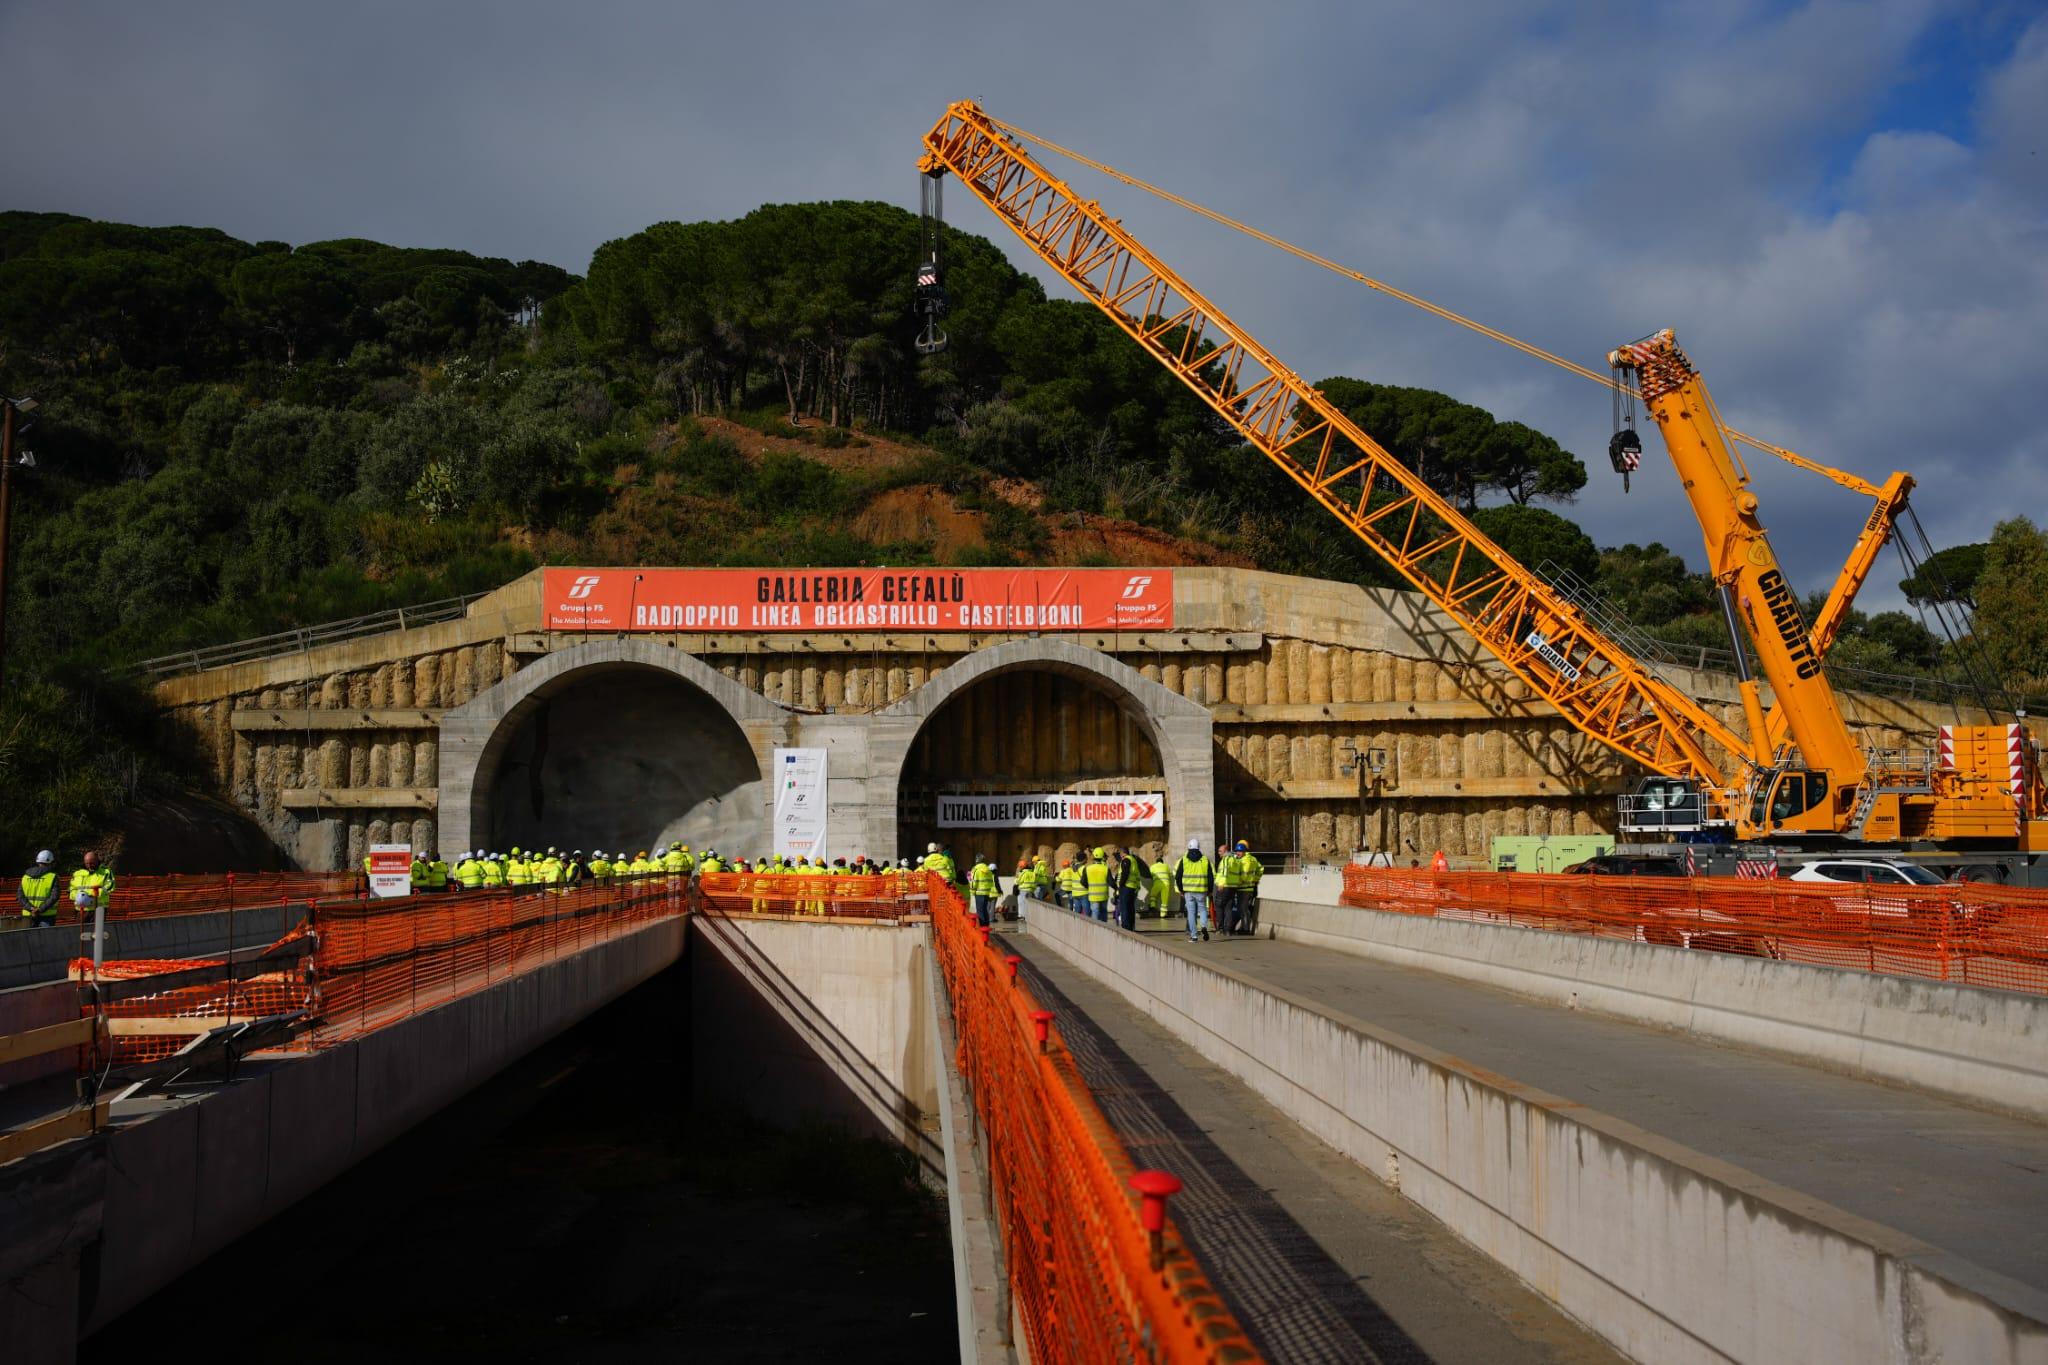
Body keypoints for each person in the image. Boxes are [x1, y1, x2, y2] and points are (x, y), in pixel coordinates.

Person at [1174, 839, 1212, 942]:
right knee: (1203, 910)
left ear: (1188, 847)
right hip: (1201, 890)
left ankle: (1194, 936)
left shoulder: (1184, 859)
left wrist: (1181, 889)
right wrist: (1210, 890)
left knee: (1191, 913)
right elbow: (1210, 877)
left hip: (1188, 891)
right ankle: (1203, 926)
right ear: (1198, 847)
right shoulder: (1205, 859)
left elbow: (1178, 876)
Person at [1223, 841, 1263, 935]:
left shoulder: (1244, 860)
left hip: (1243, 888)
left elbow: (1243, 874)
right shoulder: (1253, 859)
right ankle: (1245, 928)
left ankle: (1245, 930)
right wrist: (1256, 879)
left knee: (1243, 909)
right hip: (1249, 888)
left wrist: (1238, 881)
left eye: (1239, 851)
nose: (1237, 853)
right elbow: (1260, 869)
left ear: (1244, 851)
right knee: (1243, 909)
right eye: (1236, 851)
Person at [19, 850, 60, 927]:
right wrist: (40, 909)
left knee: (28, 938)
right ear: (51, 862)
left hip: (28, 915)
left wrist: (31, 908)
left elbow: (20, 896)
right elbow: (54, 896)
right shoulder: (53, 877)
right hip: (47, 916)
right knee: (45, 938)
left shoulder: (25, 876)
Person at [69, 851, 114, 921]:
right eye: (87, 863)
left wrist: (91, 897)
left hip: (98, 910)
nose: (89, 865)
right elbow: (71, 889)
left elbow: (109, 887)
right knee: (80, 931)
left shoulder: (106, 872)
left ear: (97, 860)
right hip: (81, 910)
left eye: (92, 863)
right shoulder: (77, 873)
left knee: (97, 931)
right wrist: (78, 897)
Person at [968, 854, 999, 928]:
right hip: (987, 893)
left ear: (977, 860)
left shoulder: (976, 869)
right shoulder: (988, 870)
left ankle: (982, 927)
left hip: (979, 893)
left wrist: (972, 891)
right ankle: (986, 925)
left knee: (980, 911)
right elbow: (991, 881)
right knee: (985, 910)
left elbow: (973, 882)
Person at [1111, 849, 1138, 931]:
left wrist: (1121, 885)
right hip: (1132, 887)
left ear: (1123, 853)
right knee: (1130, 908)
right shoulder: (1134, 860)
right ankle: (1131, 926)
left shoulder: (1126, 860)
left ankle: (1126, 927)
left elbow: (1125, 873)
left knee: (1124, 908)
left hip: (1126, 887)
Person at [1082, 847, 1111, 922]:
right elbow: (1111, 882)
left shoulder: (1087, 868)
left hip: (1093, 896)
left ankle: (1094, 931)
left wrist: (1089, 887)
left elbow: (1083, 882)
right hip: (1104, 895)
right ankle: (1105, 930)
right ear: (1102, 856)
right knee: (1104, 913)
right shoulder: (1106, 868)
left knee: (1095, 913)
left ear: (1093, 856)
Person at [1149, 853, 1173, 920]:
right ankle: (1163, 915)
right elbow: (1169, 873)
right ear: (1162, 862)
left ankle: (1152, 906)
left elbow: (1149, 874)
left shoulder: (1153, 866)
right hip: (1166, 884)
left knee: (1153, 895)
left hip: (1157, 883)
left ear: (1156, 862)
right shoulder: (1166, 866)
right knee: (1164, 901)